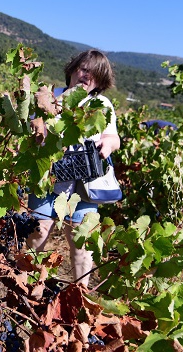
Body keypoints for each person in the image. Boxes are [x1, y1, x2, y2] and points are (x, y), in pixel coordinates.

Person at [26, 50, 120, 287]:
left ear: (100, 81)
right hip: (48, 178)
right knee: (38, 231)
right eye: (83, 69)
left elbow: (113, 137)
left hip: (84, 185)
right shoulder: (49, 97)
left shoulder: (102, 105)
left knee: (81, 243)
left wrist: (106, 145)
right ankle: (28, 283)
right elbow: (32, 129)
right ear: (72, 70)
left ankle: (80, 295)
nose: (86, 75)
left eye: (94, 73)